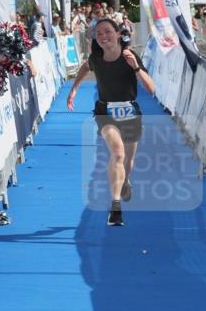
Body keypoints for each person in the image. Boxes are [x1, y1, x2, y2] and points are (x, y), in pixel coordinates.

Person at [66, 18, 155, 227]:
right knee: (118, 153)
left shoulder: (129, 56)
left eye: (107, 32)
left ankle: (124, 181)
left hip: (131, 112)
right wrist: (74, 90)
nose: (104, 37)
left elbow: (151, 89)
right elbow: (84, 68)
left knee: (128, 162)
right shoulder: (96, 58)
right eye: (99, 34)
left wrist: (136, 68)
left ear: (117, 34)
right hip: (105, 113)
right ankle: (115, 208)